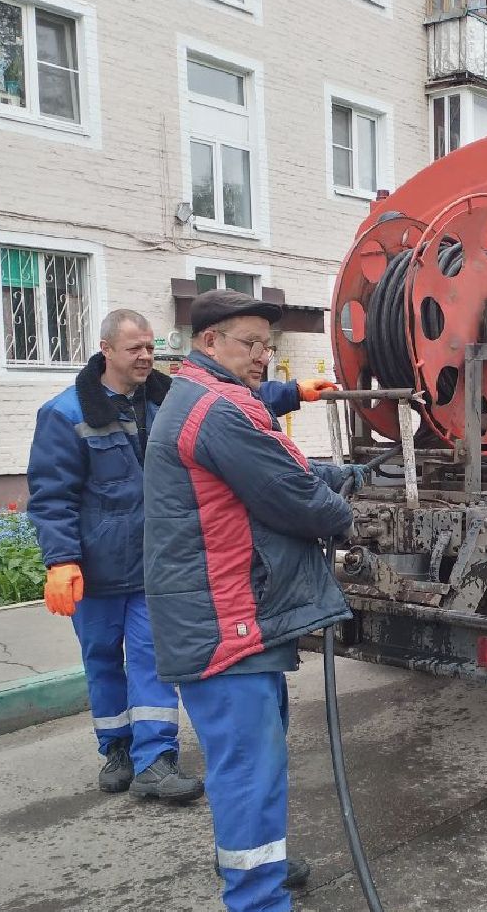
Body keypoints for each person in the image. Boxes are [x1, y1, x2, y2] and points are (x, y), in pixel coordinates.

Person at [28, 306, 337, 801]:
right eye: (136, 349)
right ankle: (117, 749)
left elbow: (229, 408)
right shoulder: (66, 415)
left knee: (151, 659)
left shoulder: (166, 400)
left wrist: (293, 394)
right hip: (98, 568)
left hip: (158, 565)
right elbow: (52, 496)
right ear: (105, 350)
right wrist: (61, 560)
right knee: (102, 660)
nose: (147, 357)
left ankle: (156, 760)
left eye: (152, 347)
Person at [144, 288, 361, 912]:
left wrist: (338, 473)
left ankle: (256, 870)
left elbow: (278, 467)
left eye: (268, 346)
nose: (264, 358)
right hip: (223, 621)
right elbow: (293, 497)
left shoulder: (208, 397)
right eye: (251, 344)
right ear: (210, 343)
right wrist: (348, 511)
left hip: (230, 616)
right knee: (249, 766)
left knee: (254, 758)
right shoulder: (215, 408)